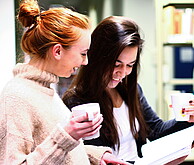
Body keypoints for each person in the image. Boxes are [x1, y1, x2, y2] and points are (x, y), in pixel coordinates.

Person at [0, 1, 130, 164]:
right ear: (58, 51)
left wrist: (95, 156)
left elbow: (53, 149)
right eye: (83, 54)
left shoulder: (46, 91)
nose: (86, 62)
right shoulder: (16, 97)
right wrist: (66, 136)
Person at [62, 16, 194, 164]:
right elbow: (85, 154)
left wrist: (185, 119)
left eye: (130, 65)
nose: (123, 73)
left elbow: (155, 129)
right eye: (117, 65)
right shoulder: (77, 101)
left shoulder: (131, 89)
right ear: (98, 57)